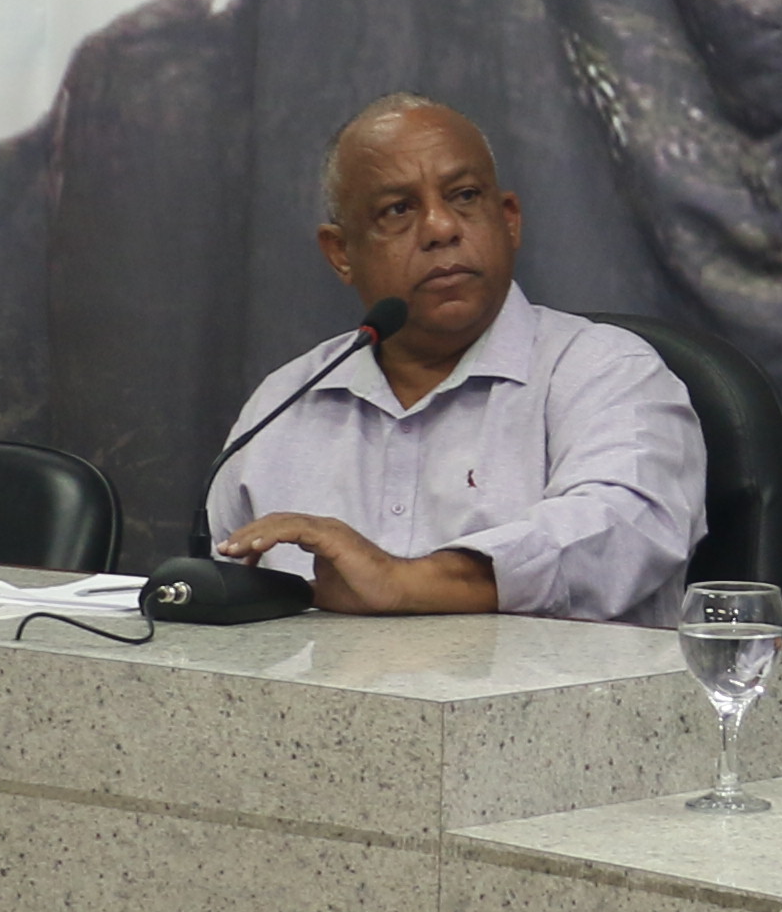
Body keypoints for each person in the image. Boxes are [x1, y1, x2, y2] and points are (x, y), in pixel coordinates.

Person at [203, 96, 706, 618]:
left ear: (509, 220)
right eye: (398, 209)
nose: (441, 228)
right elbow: (220, 605)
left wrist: (404, 582)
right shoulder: (283, 405)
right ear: (341, 253)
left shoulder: (609, 372)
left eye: (464, 196)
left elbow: (620, 534)